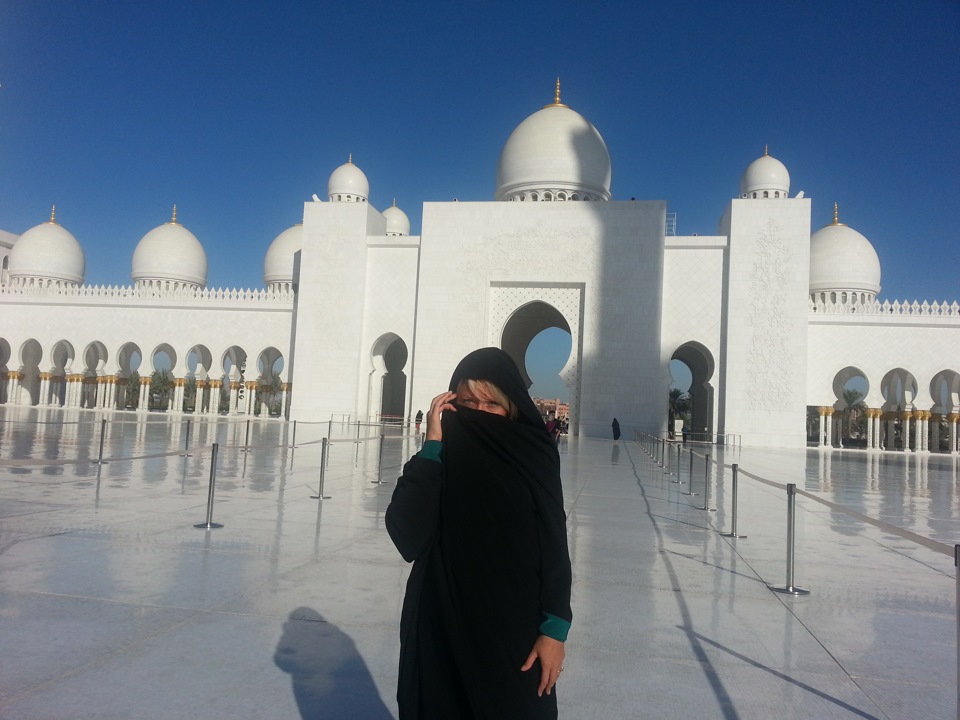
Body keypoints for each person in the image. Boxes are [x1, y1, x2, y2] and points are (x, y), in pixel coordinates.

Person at [386, 347, 572, 719]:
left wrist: (555, 629)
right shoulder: (439, 457)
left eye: (491, 405)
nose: (478, 414)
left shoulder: (534, 455)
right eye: (467, 403)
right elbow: (407, 534)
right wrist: (433, 445)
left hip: (513, 627)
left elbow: (553, 542)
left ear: (511, 407)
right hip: (441, 619)